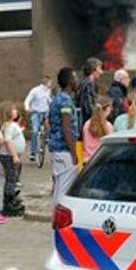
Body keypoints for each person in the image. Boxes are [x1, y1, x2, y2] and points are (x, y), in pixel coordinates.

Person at [48, 67, 80, 204]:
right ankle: (59, 222)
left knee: (58, 188)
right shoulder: (66, 101)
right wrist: (73, 152)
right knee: (64, 190)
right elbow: (66, 128)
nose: (77, 80)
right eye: (75, 78)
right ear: (70, 81)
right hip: (64, 150)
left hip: (56, 149)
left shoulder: (56, 98)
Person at [0, 107, 25, 218]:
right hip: (8, 155)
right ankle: (9, 204)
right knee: (11, 178)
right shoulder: (10, 125)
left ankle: (11, 199)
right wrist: (14, 155)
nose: (16, 112)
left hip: (9, 155)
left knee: (12, 178)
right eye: (14, 111)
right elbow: (8, 140)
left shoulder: (10, 125)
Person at [23, 75, 52, 157]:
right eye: (50, 83)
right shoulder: (35, 90)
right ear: (47, 83)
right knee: (35, 131)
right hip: (36, 112)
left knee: (48, 126)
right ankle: (33, 152)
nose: (51, 84)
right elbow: (27, 100)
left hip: (45, 112)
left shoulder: (48, 91)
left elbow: (49, 101)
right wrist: (27, 108)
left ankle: (47, 138)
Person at [83, 98, 114, 163]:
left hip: (87, 161)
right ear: (107, 109)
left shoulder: (87, 124)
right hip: (101, 161)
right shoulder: (108, 126)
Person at [76, 58, 101, 135]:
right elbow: (88, 107)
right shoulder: (89, 85)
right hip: (87, 124)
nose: (101, 72)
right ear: (94, 70)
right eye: (99, 68)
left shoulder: (82, 83)